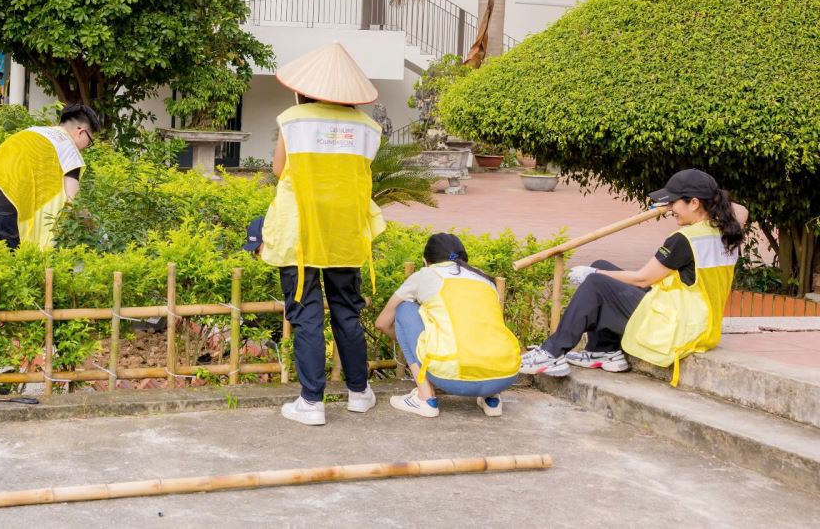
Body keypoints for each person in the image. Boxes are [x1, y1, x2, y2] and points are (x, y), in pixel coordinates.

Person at [521, 169, 746, 383]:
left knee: (596, 282)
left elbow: (643, 279)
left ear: (694, 203)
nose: (669, 209)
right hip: (699, 323)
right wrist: (702, 199)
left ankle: (551, 353)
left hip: (677, 328)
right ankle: (603, 351)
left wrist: (593, 273)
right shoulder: (727, 229)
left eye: (673, 202)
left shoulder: (684, 239)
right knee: (602, 266)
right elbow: (741, 208)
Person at [268, 40, 382, 427]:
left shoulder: (292, 120)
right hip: (346, 230)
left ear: (305, 88)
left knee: (307, 315)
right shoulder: (369, 128)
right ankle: (358, 392)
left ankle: (311, 401)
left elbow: (279, 169)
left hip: (299, 231)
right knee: (347, 311)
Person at [375, 233, 521, 418]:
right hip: (505, 376)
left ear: (425, 261)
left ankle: (425, 398)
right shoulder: (484, 279)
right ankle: (491, 399)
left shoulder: (425, 275)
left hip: (453, 378)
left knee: (403, 309)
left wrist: (413, 345)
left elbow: (381, 323)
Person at [0, 103, 100, 249]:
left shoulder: (33, 131)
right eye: (90, 141)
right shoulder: (69, 149)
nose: (87, 147)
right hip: (9, 201)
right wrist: (96, 230)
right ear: (81, 132)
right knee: (18, 266)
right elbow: (73, 201)